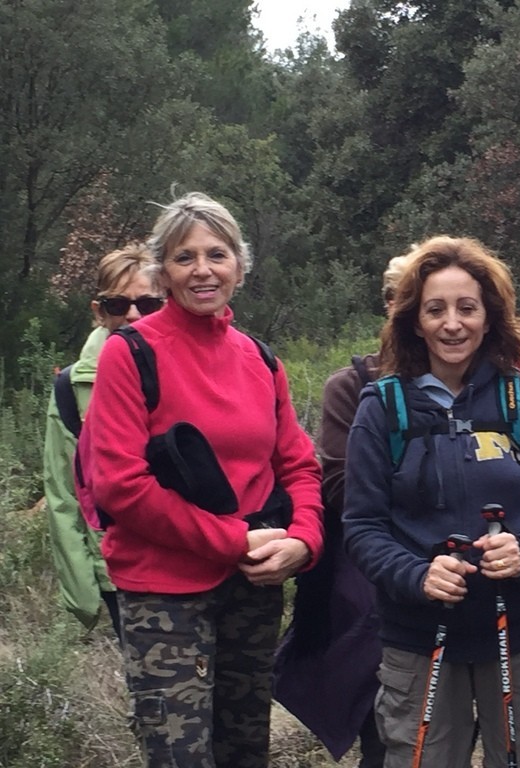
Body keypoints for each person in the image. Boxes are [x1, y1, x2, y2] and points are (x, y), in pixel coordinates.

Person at [87, 192, 324, 767]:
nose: (202, 270)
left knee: (244, 750)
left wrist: (304, 541)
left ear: (239, 265)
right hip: (164, 590)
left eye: (216, 254)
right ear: (162, 270)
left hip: (252, 588)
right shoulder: (130, 354)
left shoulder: (259, 360)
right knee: (180, 755)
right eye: (183, 257)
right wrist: (232, 541)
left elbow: (297, 464)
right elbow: (120, 484)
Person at [344, 236, 520, 768]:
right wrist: (416, 574)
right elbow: (362, 525)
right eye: (436, 309)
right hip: (419, 637)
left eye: (467, 308)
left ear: (489, 315)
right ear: (414, 320)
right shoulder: (382, 409)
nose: (452, 323)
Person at [273, 252, 413, 766]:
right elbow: (341, 486)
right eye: (411, 300)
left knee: (448, 727)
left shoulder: (481, 384)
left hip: (458, 577)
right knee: (384, 722)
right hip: (375, 579)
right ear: (390, 305)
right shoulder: (351, 386)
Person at [42, 244, 164, 640]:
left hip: (198, 556)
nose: (132, 315)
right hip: (119, 568)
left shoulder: (193, 366)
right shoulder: (71, 387)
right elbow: (62, 493)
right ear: (99, 310)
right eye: (118, 304)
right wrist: (82, 588)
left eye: (147, 304)